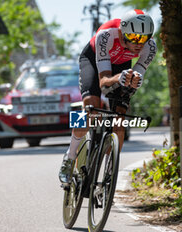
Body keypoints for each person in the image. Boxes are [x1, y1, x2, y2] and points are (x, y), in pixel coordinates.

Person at [59, 9, 157, 185]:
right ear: (122, 31)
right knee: (89, 108)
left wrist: (134, 81)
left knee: (119, 122)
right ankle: (70, 156)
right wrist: (119, 78)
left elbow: (137, 75)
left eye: (144, 38)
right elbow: (104, 81)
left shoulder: (150, 47)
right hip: (93, 61)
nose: (139, 43)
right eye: (134, 37)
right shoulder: (106, 34)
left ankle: (110, 174)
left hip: (122, 66)